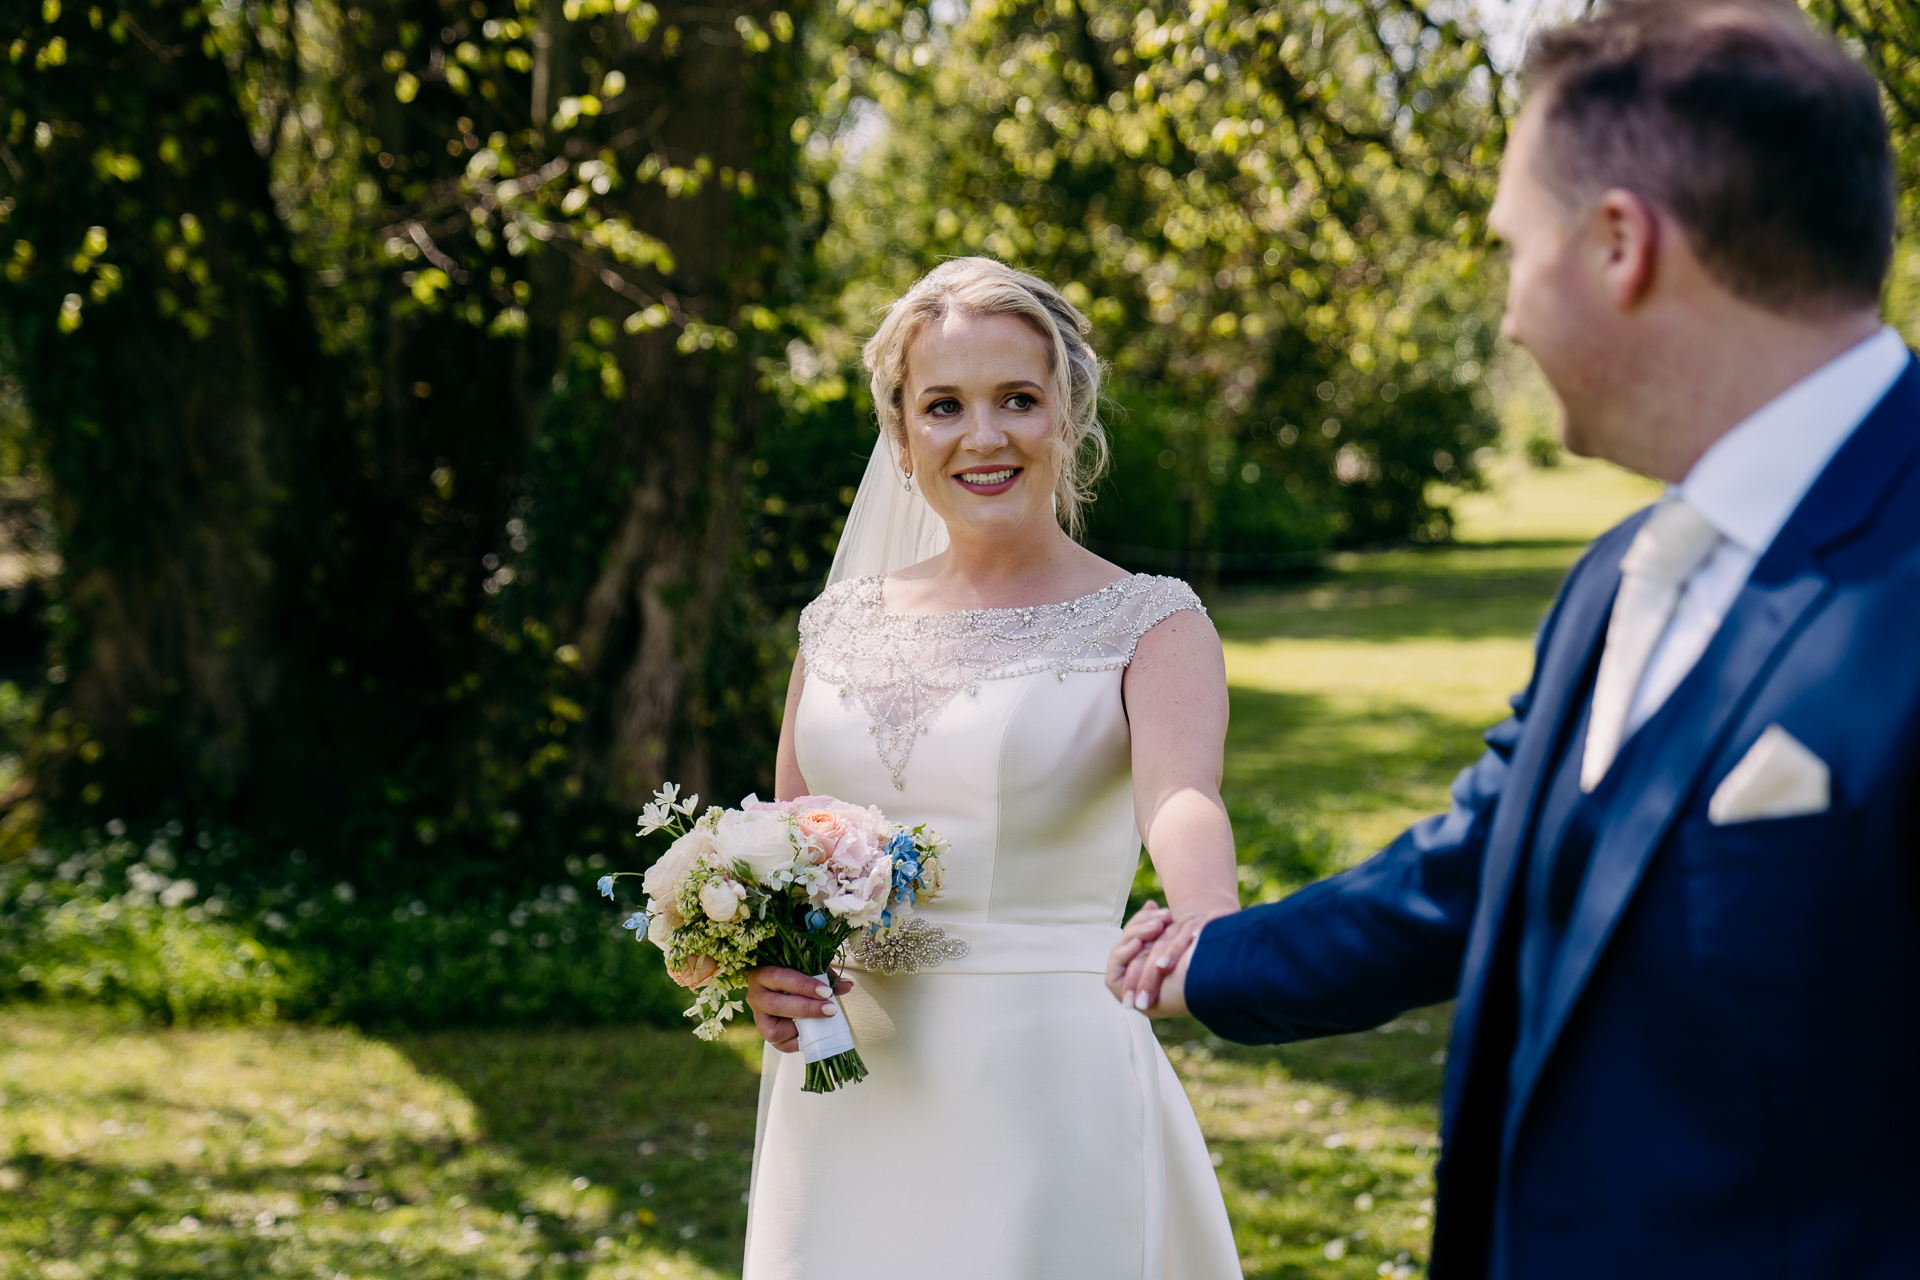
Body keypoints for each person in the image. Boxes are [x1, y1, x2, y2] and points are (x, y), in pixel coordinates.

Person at [1111, 1, 1920, 1275]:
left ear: (1618, 245)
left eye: (1510, 249)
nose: (1507, 320)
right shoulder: (1621, 575)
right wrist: (1219, 955)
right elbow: (1480, 867)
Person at [739, 257, 1243, 1279]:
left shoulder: (1153, 621)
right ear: (902, 434)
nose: (984, 435)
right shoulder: (833, 624)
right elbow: (785, 839)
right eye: (944, 405)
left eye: (1018, 398)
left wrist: (1209, 917)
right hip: (846, 1081)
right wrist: (763, 964)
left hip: (1044, 1078)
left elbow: (1182, 796)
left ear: (1068, 414)